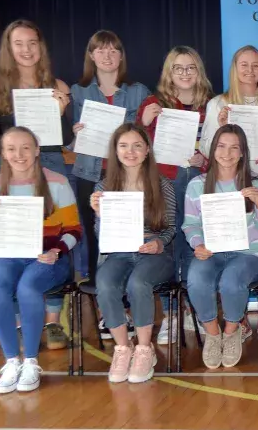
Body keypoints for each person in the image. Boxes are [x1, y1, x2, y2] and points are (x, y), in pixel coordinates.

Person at [0, 19, 74, 351]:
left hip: (49, 165)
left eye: (32, 43)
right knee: (14, 243)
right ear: (9, 48)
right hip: (11, 169)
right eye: (19, 43)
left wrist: (62, 112)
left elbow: (65, 140)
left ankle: (53, 322)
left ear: (41, 47)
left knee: (51, 243)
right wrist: (17, 149)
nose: (26, 50)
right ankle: (21, 318)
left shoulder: (57, 85)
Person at [0, 127, 81, 394]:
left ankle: (32, 362)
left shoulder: (57, 182)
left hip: (47, 259)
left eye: (25, 147)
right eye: (11, 149)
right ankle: (12, 361)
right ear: (2, 153)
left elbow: (74, 231)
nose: (19, 154)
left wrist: (56, 251)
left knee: (28, 286)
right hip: (7, 256)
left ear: (37, 150)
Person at [68, 30, 151, 316]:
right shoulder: (76, 92)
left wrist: (145, 121)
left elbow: (148, 136)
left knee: (131, 237)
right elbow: (65, 140)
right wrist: (72, 133)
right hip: (90, 175)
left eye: (113, 50)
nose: (107, 56)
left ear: (121, 56)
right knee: (96, 239)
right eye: (100, 50)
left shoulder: (139, 91)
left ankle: (131, 305)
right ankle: (106, 310)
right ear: (91, 55)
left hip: (128, 177)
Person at [182, 125, 258, 369]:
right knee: (196, 276)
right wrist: (197, 244)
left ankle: (232, 331)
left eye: (235, 147)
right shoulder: (196, 185)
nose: (227, 153)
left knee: (231, 281)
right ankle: (213, 334)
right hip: (211, 252)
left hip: (247, 255)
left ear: (243, 153)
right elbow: (190, 225)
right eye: (221, 146)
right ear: (213, 150)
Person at [88, 124, 175, 383]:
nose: (131, 151)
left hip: (154, 254)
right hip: (119, 253)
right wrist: (99, 215)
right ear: (115, 151)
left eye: (137, 145)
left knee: (139, 282)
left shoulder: (162, 185)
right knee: (105, 282)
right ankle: (122, 348)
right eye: (124, 146)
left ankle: (145, 349)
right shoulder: (104, 186)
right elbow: (98, 234)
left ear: (147, 150)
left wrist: (159, 242)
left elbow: (171, 227)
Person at [139, 46, 214, 337]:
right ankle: (171, 313)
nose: (185, 73)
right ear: (169, 72)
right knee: (168, 245)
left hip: (197, 180)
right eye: (178, 68)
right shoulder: (153, 102)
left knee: (196, 244)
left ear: (199, 72)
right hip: (164, 183)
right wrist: (143, 124)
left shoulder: (210, 105)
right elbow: (135, 148)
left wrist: (203, 160)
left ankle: (195, 309)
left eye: (191, 67)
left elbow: (216, 146)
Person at [201, 45, 258, 190]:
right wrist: (222, 129)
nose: (250, 70)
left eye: (255, 65)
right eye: (244, 65)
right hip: (231, 183)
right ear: (235, 69)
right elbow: (205, 148)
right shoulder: (218, 104)